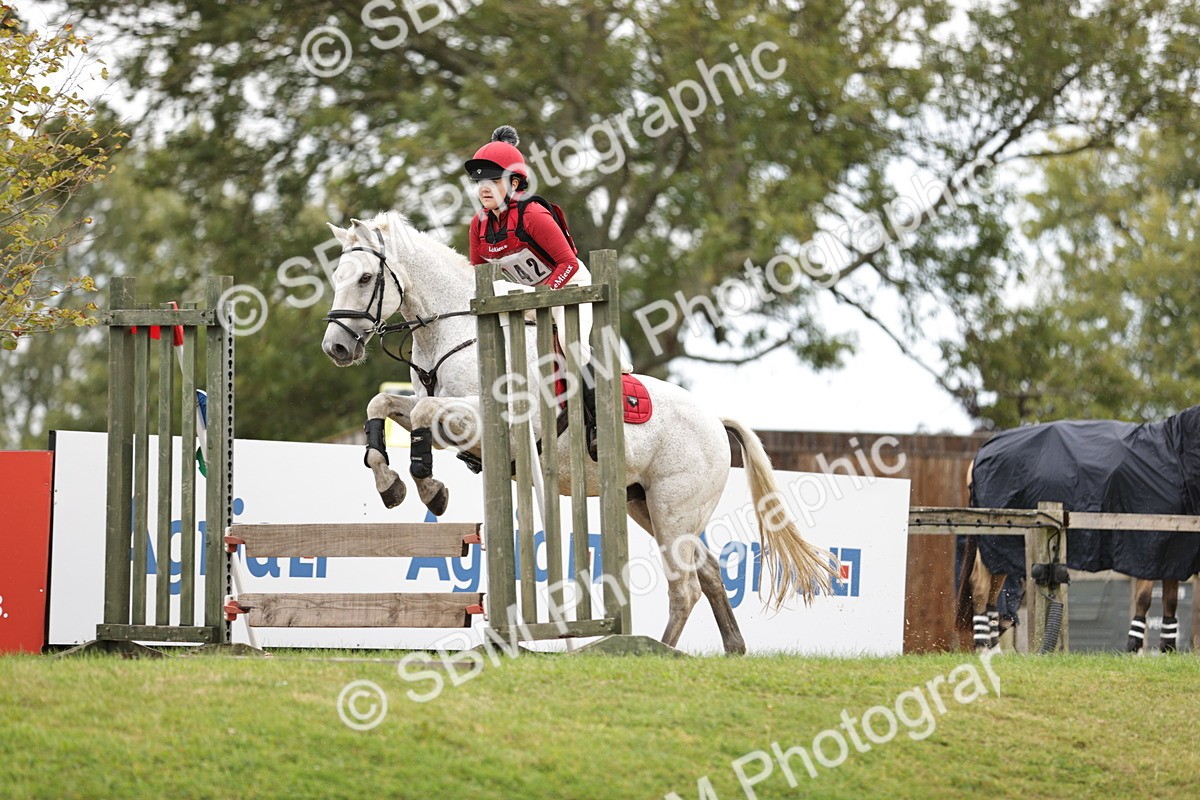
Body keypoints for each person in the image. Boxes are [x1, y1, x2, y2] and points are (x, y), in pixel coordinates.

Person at [464, 125, 604, 455]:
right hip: (528, 295)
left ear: (515, 183)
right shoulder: (479, 225)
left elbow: (568, 263)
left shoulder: (533, 214)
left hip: (570, 288)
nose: (484, 188)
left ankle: (598, 422)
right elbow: (478, 278)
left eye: (493, 180)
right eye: (480, 182)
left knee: (572, 347)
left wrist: (543, 296)